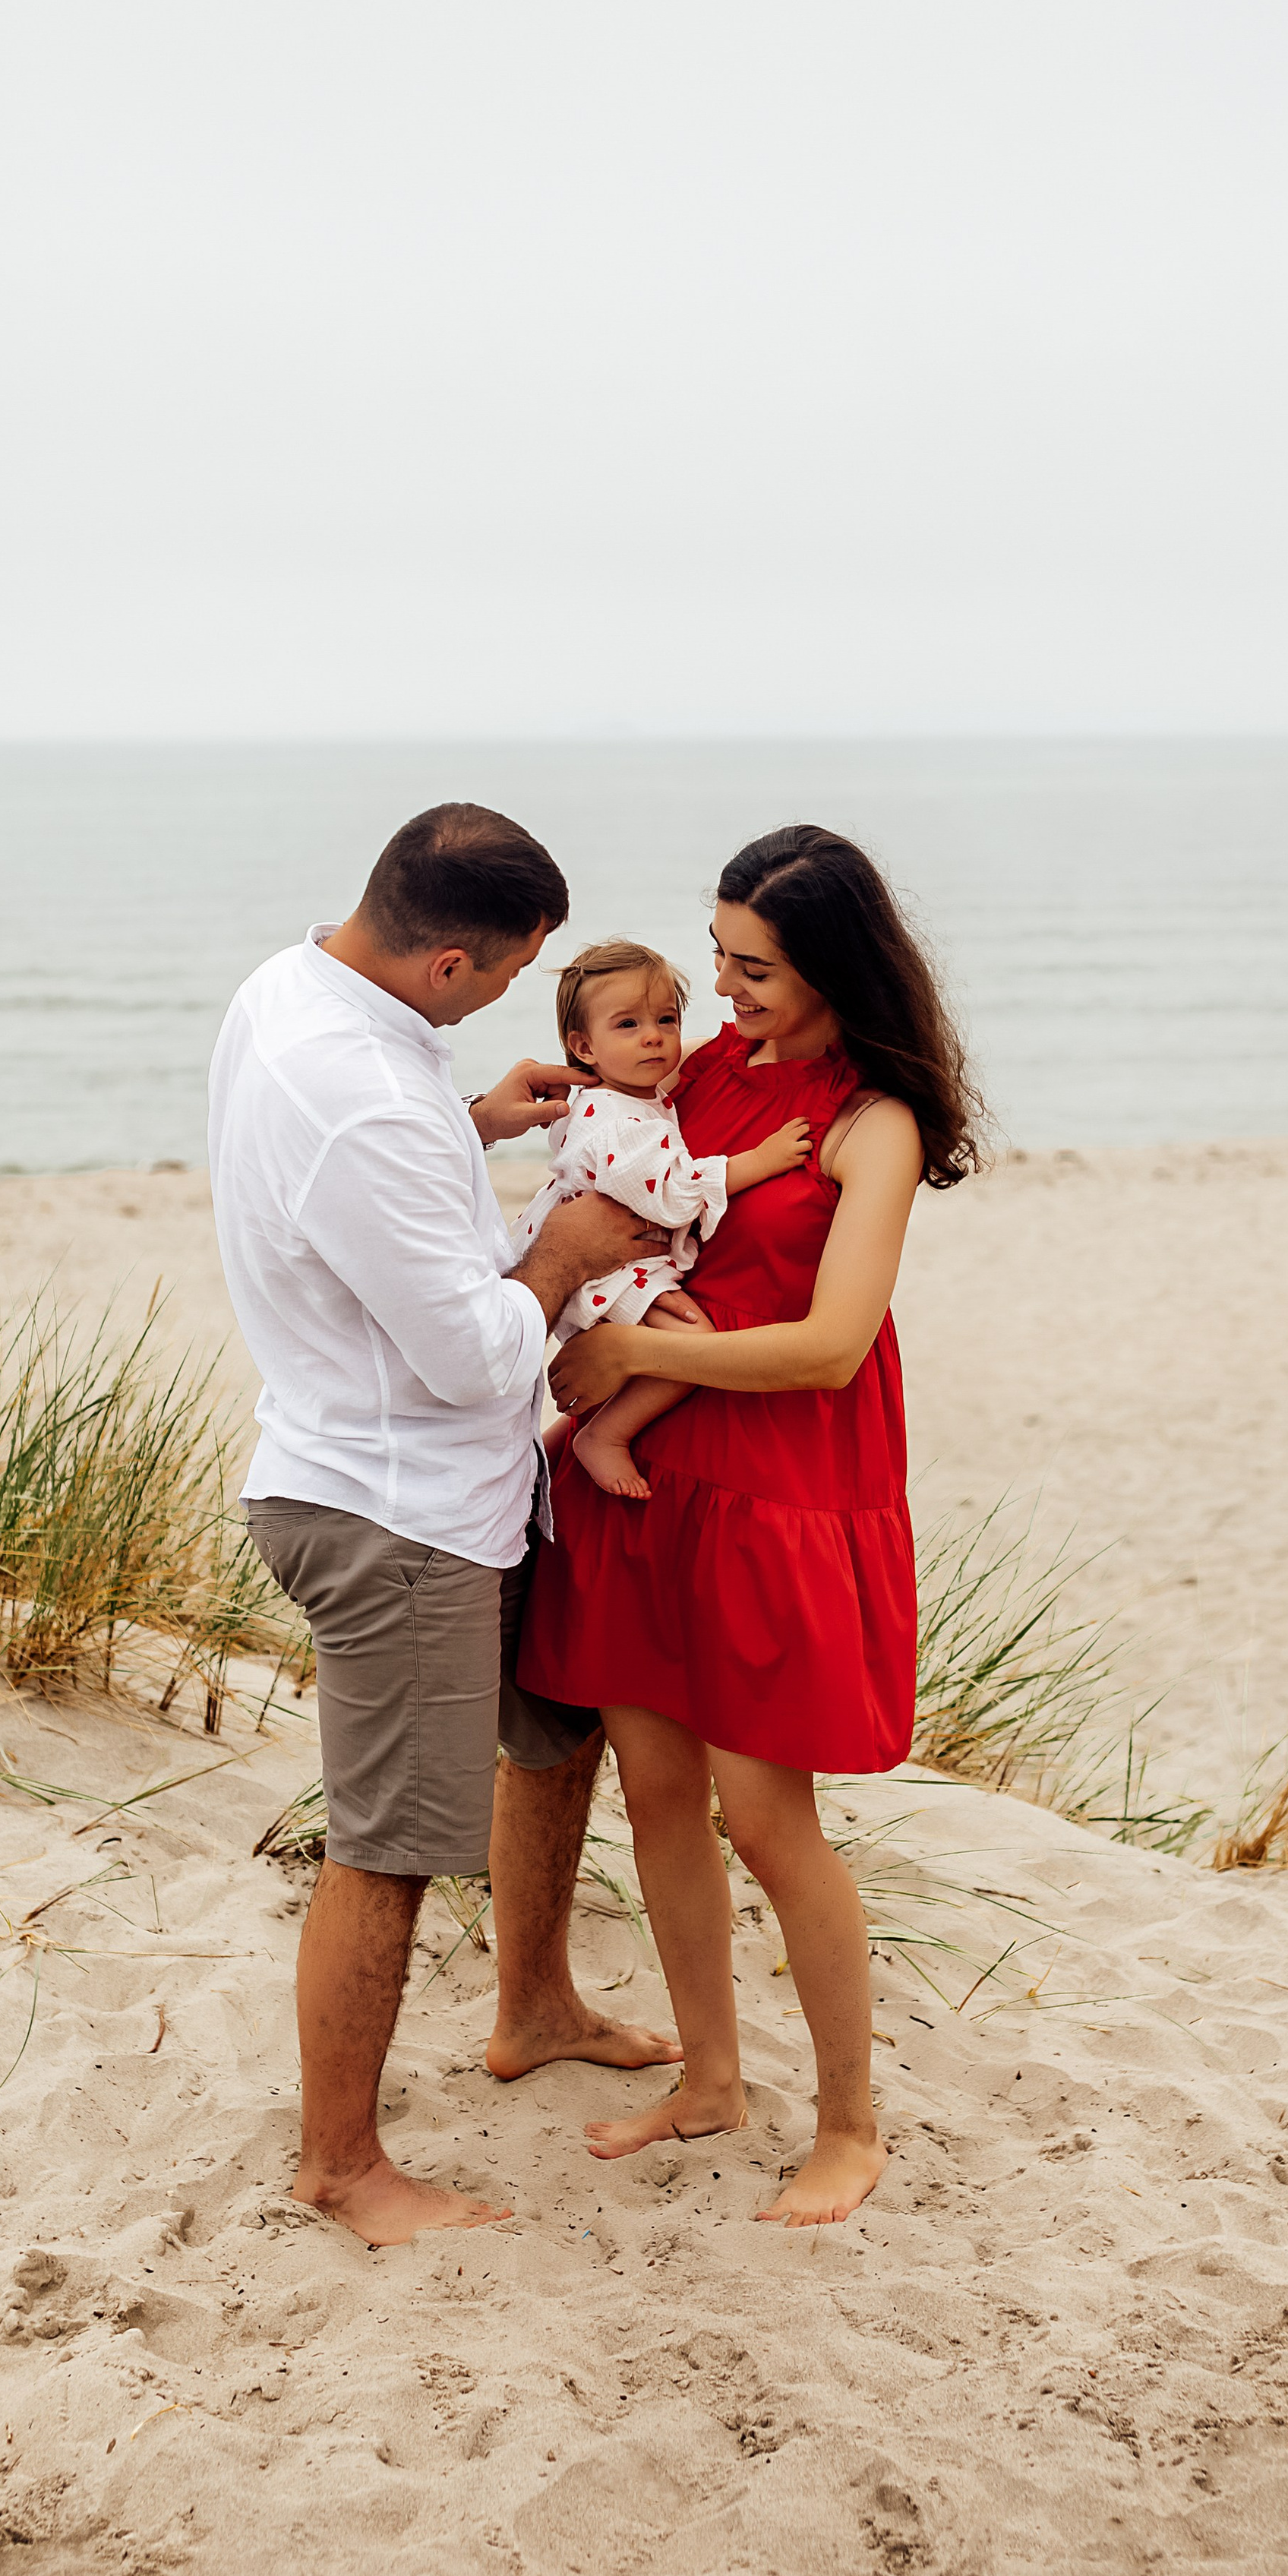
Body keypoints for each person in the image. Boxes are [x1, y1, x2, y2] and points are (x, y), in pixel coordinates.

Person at [207, 801, 683, 2249]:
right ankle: (343, 2165)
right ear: (450, 958)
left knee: (558, 1724)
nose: (498, 1000)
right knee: (390, 1842)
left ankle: (533, 2005)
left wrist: (468, 1121)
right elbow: (476, 1356)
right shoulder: (350, 1091)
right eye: (506, 973)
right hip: (393, 1510)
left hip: (474, 1490)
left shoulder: (299, 987)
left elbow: (359, 1173)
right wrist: (565, 1250)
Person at [519, 824, 984, 2227]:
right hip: (650, 1479)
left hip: (778, 1487)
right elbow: (611, 1178)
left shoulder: (874, 1124)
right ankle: (711, 2077)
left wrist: (618, 1370)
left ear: (835, 966)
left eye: (756, 969)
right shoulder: (705, 1066)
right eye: (718, 956)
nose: (722, 992)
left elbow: (835, 1345)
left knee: (772, 1820)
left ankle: (850, 2121)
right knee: (655, 1790)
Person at [507, 938, 811, 1497]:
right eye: (627, 1024)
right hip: (605, 1266)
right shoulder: (615, 1115)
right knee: (692, 1341)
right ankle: (604, 1435)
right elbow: (666, 1193)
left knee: (675, 1347)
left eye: (666, 1018)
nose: (654, 1036)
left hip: (611, 1258)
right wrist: (758, 1161)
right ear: (583, 1046)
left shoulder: (637, 1096)